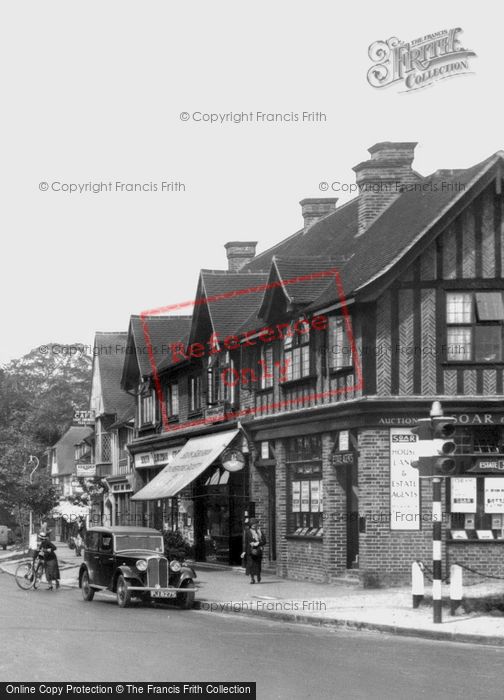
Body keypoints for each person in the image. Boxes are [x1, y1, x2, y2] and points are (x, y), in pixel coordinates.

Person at [242, 518, 266, 584]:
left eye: (255, 524)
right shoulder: (247, 532)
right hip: (250, 551)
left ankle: (258, 575)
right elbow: (245, 542)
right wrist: (244, 551)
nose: (253, 525)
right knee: (251, 565)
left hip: (258, 551)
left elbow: (264, 541)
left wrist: (258, 543)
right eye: (252, 524)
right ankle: (252, 579)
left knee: (258, 565)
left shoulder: (260, 532)